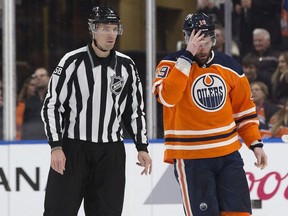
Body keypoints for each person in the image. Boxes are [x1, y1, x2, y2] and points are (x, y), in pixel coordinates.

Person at [152, 12, 268, 216]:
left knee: (239, 213)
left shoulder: (229, 66)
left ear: (214, 39)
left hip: (228, 155)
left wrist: (255, 144)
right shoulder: (170, 64)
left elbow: (244, 112)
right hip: (191, 158)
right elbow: (167, 98)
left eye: (206, 40)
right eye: (197, 40)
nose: (202, 46)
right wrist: (187, 57)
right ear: (187, 39)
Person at [41, 6, 152, 216]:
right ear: (93, 30)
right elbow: (52, 105)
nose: (111, 34)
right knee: (58, 211)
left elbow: (134, 110)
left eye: (114, 28)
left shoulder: (127, 66)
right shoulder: (71, 62)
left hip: (110, 154)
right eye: (105, 28)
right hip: (73, 150)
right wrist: (56, 146)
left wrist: (142, 146)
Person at [21, 67, 50, 140]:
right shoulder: (30, 101)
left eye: (42, 75)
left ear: (49, 78)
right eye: (36, 76)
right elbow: (25, 122)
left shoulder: (55, 98)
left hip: (52, 140)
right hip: (32, 140)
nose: (38, 78)